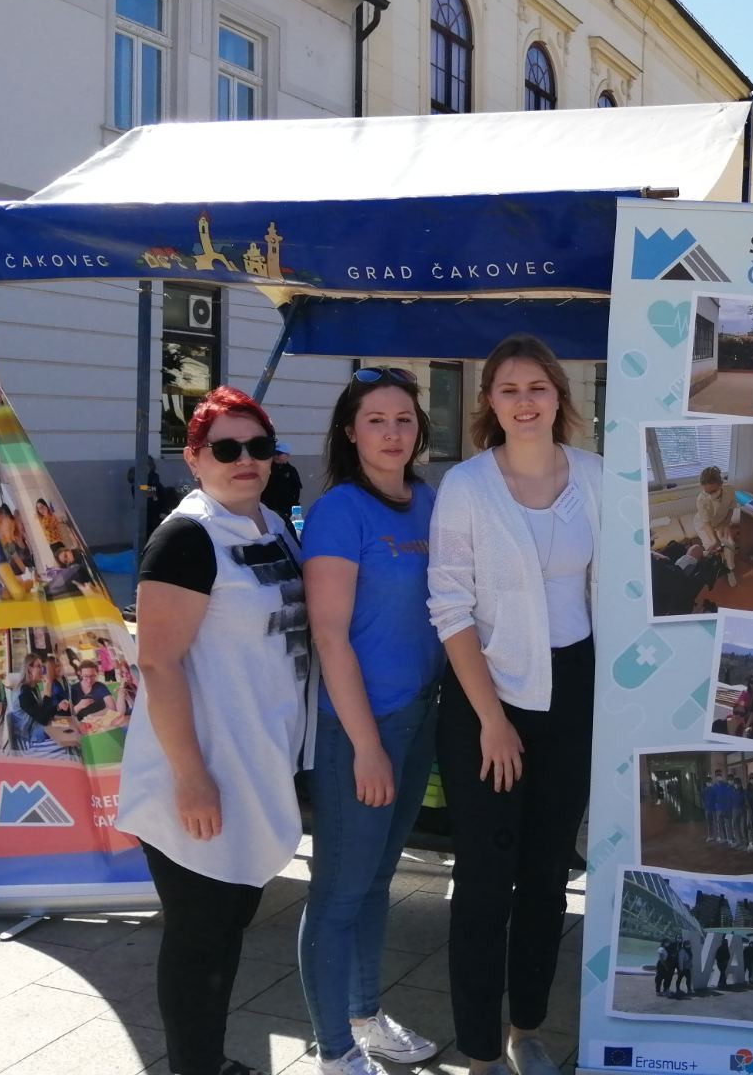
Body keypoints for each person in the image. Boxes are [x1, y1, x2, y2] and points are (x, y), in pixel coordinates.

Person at [116, 386, 315, 1075]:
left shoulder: (270, 526)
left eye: (258, 447)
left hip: (255, 764)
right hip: (198, 773)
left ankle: (204, 1061)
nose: (245, 460)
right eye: (226, 449)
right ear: (195, 459)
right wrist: (190, 776)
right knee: (200, 938)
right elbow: (158, 661)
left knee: (227, 928)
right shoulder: (186, 537)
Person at [428, 334, 600, 1075]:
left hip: (576, 692)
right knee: (484, 882)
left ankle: (526, 1026)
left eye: (537, 387)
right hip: (486, 703)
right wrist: (493, 720)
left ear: (560, 395)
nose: (524, 401)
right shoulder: (466, 486)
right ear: (488, 403)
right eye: (508, 389)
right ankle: (477, 1049)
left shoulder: (597, 478)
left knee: (548, 876)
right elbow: (451, 608)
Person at [298, 369, 443, 1074]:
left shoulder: (429, 503)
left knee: (378, 880)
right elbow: (330, 637)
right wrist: (364, 747)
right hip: (362, 728)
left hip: (419, 718)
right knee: (338, 893)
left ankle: (364, 1012)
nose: (392, 432)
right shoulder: (340, 512)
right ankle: (332, 1049)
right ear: (351, 431)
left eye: (404, 420)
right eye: (376, 420)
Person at [695, 466, 739, 588]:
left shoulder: (730, 490)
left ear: (721, 484)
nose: (710, 495)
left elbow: (731, 508)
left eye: (713, 491)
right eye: (706, 492)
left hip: (721, 521)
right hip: (704, 524)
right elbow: (706, 522)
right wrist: (715, 540)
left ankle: (730, 570)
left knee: (729, 544)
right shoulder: (701, 499)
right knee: (711, 545)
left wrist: (726, 524)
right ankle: (715, 568)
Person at [263, 441, 305, 517]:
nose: (276, 456)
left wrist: (294, 509)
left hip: (287, 510)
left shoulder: (291, 470)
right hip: (269, 510)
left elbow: (297, 490)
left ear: (287, 455)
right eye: (275, 453)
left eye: (279, 454)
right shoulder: (266, 469)